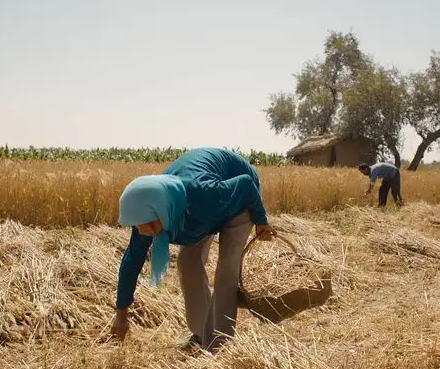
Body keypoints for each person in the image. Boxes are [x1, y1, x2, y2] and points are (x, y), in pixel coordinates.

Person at [110, 148, 276, 354]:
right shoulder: (149, 213)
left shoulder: (204, 195)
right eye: (137, 225)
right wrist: (121, 313)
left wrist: (261, 221)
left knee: (227, 269)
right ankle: (200, 334)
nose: (143, 231)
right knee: (187, 262)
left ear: (160, 209)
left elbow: (245, 185)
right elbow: (132, 261)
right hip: (198, 213)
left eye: (145, 223)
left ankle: (219, 345)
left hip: (238, 199)